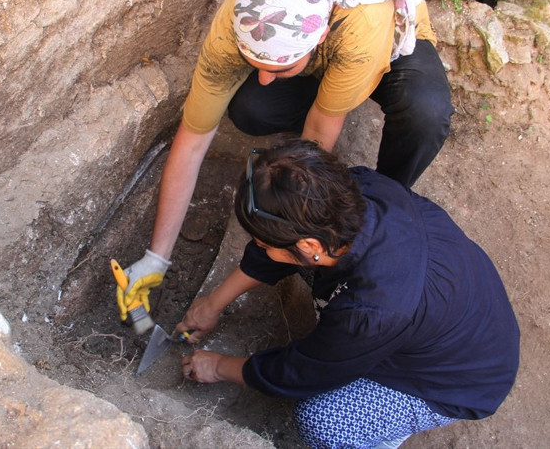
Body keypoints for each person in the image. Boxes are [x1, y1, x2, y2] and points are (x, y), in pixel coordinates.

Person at [117, 0, 455, 324]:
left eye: (278, 69)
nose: (264, 79)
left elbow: (313, 150)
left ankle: (383, 202)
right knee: (251, 108)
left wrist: (284, 223)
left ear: (320, 38)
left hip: (384, 32)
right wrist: (156, 258)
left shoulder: (361, 30)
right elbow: (191, 144)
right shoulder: (236, 23)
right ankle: (302, 76)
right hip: (311, 42)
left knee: (426, 112)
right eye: (255, 63)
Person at [177, 139, 519, 448]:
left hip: (460, 380)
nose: (262, 249)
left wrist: (219, 367)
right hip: (461, 312)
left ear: (310, 246)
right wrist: (213, 304)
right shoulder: (358, 189)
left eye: (265, 245)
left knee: (322, 421)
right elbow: (278, 248)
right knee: (297, 264)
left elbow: (301, 372)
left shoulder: (370, 311)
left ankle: (381, 437)